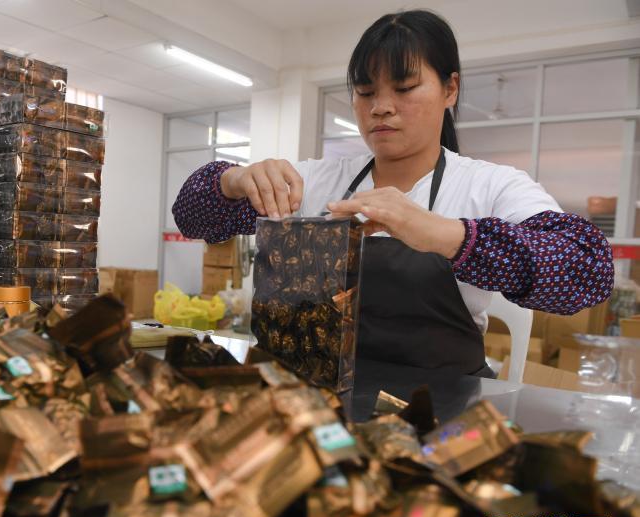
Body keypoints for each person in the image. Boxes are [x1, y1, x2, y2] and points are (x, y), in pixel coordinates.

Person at [172, 9, 613, 376]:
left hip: (439, 408)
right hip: (309, 396)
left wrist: (447, 235)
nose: (380, 107)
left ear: (450, 89)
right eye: (366, 92)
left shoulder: (490, 186)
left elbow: (587, 272)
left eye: (404, 88)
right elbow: (191, 218)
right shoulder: (314, 182)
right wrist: (231, 181)